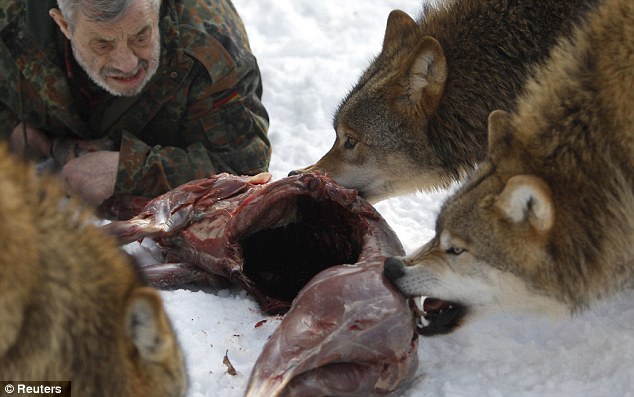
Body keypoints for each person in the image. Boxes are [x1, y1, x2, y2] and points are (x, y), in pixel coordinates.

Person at [0, 0, 271, 209]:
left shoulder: (208, 47)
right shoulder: (11, 21)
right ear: (63, 25)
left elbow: (245, 166)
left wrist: (130, 172)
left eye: (141, 36)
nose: (127, 63)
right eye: (102, 44)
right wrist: (16, 128)